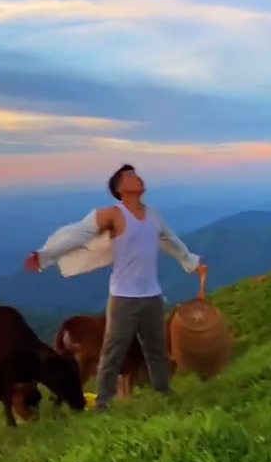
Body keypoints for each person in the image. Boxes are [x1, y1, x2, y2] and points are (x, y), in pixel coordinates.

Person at [23, 164, 205, 411]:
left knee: (156, 347)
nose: (138, 178)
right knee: (113, 349)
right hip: (123, 297)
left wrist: (191, 262)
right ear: (120, 188)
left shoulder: (153, 215)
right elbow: (79, 234)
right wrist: (45, 255)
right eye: (131, 176)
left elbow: (171, 241)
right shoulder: (111, 214)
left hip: (152, 294)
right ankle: (103, 402)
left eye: (137, 174)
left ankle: (162, 389)